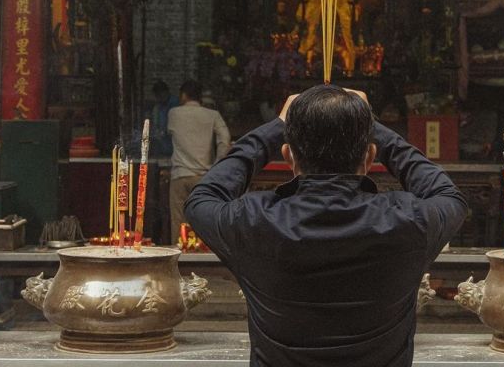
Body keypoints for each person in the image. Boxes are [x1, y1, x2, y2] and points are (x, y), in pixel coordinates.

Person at [186, 84, 468, 367]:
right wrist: (373, 127)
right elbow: (449, 197)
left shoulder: (252, 221)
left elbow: (201, 198)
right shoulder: (409, 222)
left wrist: (275, 127)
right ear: (370, 157)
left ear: (288, 157)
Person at [167, 79, 230, 245]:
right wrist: (217, 164)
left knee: (178, 222)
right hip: (204, 177)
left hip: (180, 175)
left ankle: (178, 261)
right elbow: (225, 140)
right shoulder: (212, 115)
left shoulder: (174, 113)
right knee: (203, 222)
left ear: (183, 95)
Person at [150, 80, 180, 157]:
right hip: (162, 146)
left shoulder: (175, 103)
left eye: (160, 94)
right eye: (157, 95)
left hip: (174, 145)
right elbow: (155, 124)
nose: (159, 97)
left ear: (166, 92)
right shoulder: (158, 107)